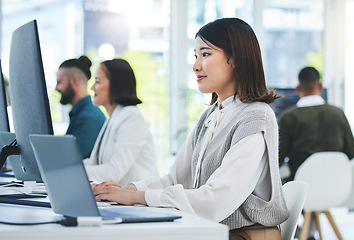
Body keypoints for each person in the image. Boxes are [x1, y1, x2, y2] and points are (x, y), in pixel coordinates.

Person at [92, 18, 289, 240]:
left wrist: (140, 196)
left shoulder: (256, 116)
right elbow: (174, 178)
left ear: (235, 59)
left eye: (205, 54)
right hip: (213, 229)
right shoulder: (211, 115)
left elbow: (216, 201)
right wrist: (129, 189)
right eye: (196, 56)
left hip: (245, 235)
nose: (196, 66)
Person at [83, 59, 159, 186]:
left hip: (140, 201)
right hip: (121, 200)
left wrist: (73, 171)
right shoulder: (113, 118)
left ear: (115, 84)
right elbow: (94, 163)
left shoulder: (131, 116)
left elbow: (113, 172)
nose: (92, 87)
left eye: (97, 81)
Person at [279, 66, 354, 182]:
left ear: (297, 88)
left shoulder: (288, 118)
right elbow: (351, 153)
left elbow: (278, 158)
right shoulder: (338, 113)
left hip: (302, 185)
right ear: (320, 86)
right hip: (335, 184)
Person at [56, 56, 106, 158]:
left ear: (74, 80)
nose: (56, 88)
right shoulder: (84, 113)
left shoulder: (88, 118)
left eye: (59, 82)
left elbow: (68, 161)